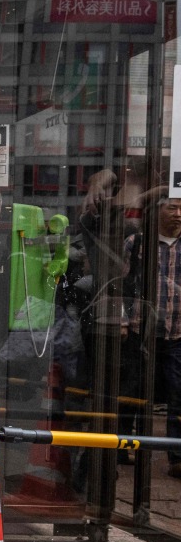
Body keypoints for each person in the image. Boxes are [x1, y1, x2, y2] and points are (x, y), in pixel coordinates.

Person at [123, 195, 181, 479]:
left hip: (178, 331)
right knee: (133, 391)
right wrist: (122, 320)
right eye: (173, 207)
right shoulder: (136, 244)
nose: (178, 214)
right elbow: (121, 284)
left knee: (178, 393)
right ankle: (122, 446)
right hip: (139, 329)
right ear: (158, 210)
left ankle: (177, 455)